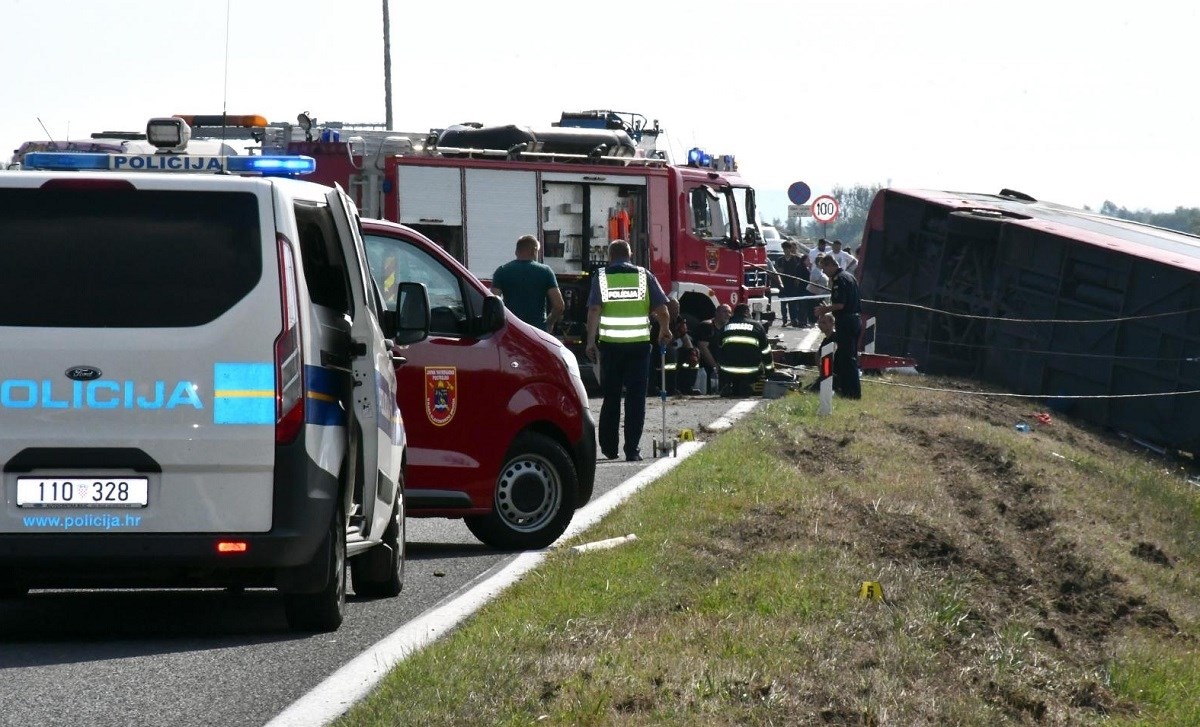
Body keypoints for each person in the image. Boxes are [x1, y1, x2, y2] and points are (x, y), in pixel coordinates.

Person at [585, 240, 671, 461]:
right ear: (630, 255)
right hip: (639, 347)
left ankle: (609, 448)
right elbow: (662, 308)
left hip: (611, 347)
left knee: (611, 396)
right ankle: (632, 449)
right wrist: (664, 330)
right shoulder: (644, 276)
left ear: (610, 255)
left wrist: (590, 341)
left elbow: (594, 309)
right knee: (636, 398)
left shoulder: (601, 276)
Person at [491, 234, 564, 331]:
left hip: (511, 330)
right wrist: (549, 323)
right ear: (534, 251)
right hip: (537, 332)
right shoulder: (545, 271)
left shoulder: (501, 271)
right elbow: (559, 306)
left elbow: (493, 304)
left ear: (516, 251)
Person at [816, 253, 862, 399]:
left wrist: (824, 310)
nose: (824, 272)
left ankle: (852, 393)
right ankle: (845, 388)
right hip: (855, 320)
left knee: (848, 359)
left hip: (846, 322)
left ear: (831, 265)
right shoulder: (849, 276)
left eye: (824, 269)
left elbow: (840, 304)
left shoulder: (838, 280)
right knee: (846, 356)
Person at [716, 303, 774, 397]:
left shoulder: (725, 327)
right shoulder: (757, 326)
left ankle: (728, 386)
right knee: (752, 374)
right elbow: (766, 351)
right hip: (750, 371)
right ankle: (746, 385)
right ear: (747, 312)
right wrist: (770, 372)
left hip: (728, 370)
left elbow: (718, 349)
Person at [693, 304, 731, 395]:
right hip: (706, 368)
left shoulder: (728, 329)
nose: (728, 315)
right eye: (725, 311)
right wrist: (715, 366)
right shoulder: (707, 326)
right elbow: (703, 347)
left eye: (729, 312)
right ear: (716, 313)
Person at [773, 241, 806, 328]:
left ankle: (793, 320)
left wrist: (797, 279)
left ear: (790, 249)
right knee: (783, 303)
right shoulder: (781, 260)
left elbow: (799, 270)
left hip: (793, 284)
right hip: (784, 284)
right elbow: (779, 271)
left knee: (792, 303)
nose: (786, 251)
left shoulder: (796, 259)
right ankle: (784, 320)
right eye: (784, 249)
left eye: (787, 249)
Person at [806, 253, 831, 326]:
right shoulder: (815, 271)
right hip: (815, 293)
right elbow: (814, 283)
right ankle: (812, 322)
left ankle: (819, 321)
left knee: (821, 308)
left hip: (822, 293)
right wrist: (817, 295)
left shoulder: (821, 271)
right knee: (814, 308)